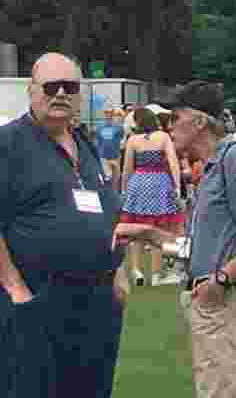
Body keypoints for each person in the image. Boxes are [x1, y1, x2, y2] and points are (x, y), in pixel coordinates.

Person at [114, 80, 236, 398]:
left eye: (174, 118)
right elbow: (202, 248)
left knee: (222, 391)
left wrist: (219, 281)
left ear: (199, 121)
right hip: (214, 299)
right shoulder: (212, 165)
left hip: (225, 299)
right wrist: (148, 234)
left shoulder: (234, 157)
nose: (168, 127)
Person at [0, 53, 127, 398]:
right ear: (31, 90)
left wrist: (118, 273)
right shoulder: (8, 144)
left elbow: (108, 210)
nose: (60, 94)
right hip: (37, 305)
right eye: (50, 86)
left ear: (79, 94)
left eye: (69, 87)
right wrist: (15, 288)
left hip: (95, 308)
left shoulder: (84, 144)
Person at [120, 106, 183, 287]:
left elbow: (127, 169)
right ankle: (156, 274)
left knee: (136, 229)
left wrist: (124, 190)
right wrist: (177, 187)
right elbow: (173, 163)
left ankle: (136, 270)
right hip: (160, 183)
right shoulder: (163, 137)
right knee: (159, 228)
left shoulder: (133, 140)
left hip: (138, 183)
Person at [95, 107, 125, 187]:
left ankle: (114, 197)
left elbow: (122, 138)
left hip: (115, 156)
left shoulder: (119, 127)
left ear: (113, 114)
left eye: (110, 112)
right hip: (103, 157)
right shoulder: (99, 127)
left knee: (116, 181)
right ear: (104, 114)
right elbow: (97, 141)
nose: (108, 114)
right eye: (106, 112)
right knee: (108, 178)